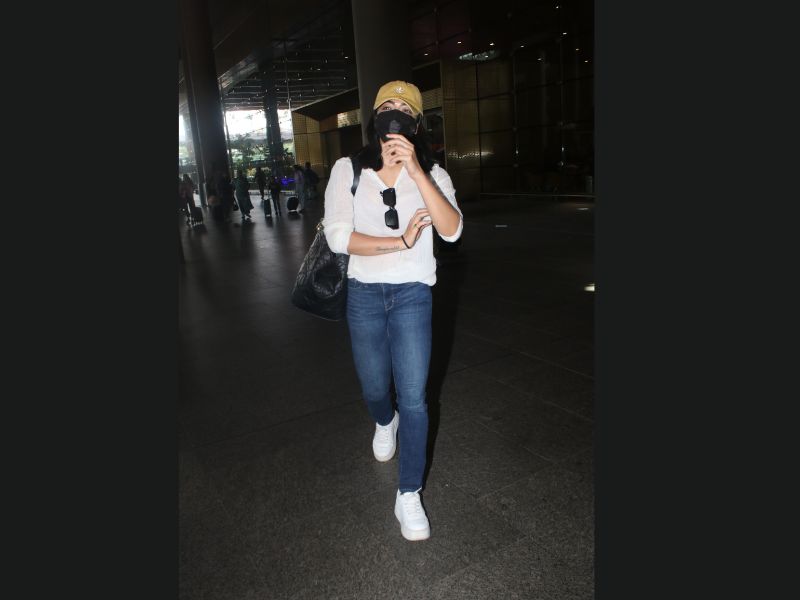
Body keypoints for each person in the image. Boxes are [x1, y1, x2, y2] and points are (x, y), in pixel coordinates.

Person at [323, 81, 463, 541]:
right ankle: (385, 421)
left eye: (405, 107)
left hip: (413, 294)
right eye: (387, 105)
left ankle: (409, 493)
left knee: (415, 396)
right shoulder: (348, 169)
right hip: (364, 292)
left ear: (417, 123)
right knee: (372, 386)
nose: (395, 112)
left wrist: (417, 170)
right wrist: (399, 241)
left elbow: (452, 230)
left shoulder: (434, 174)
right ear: (374, 118)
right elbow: (338, 237)